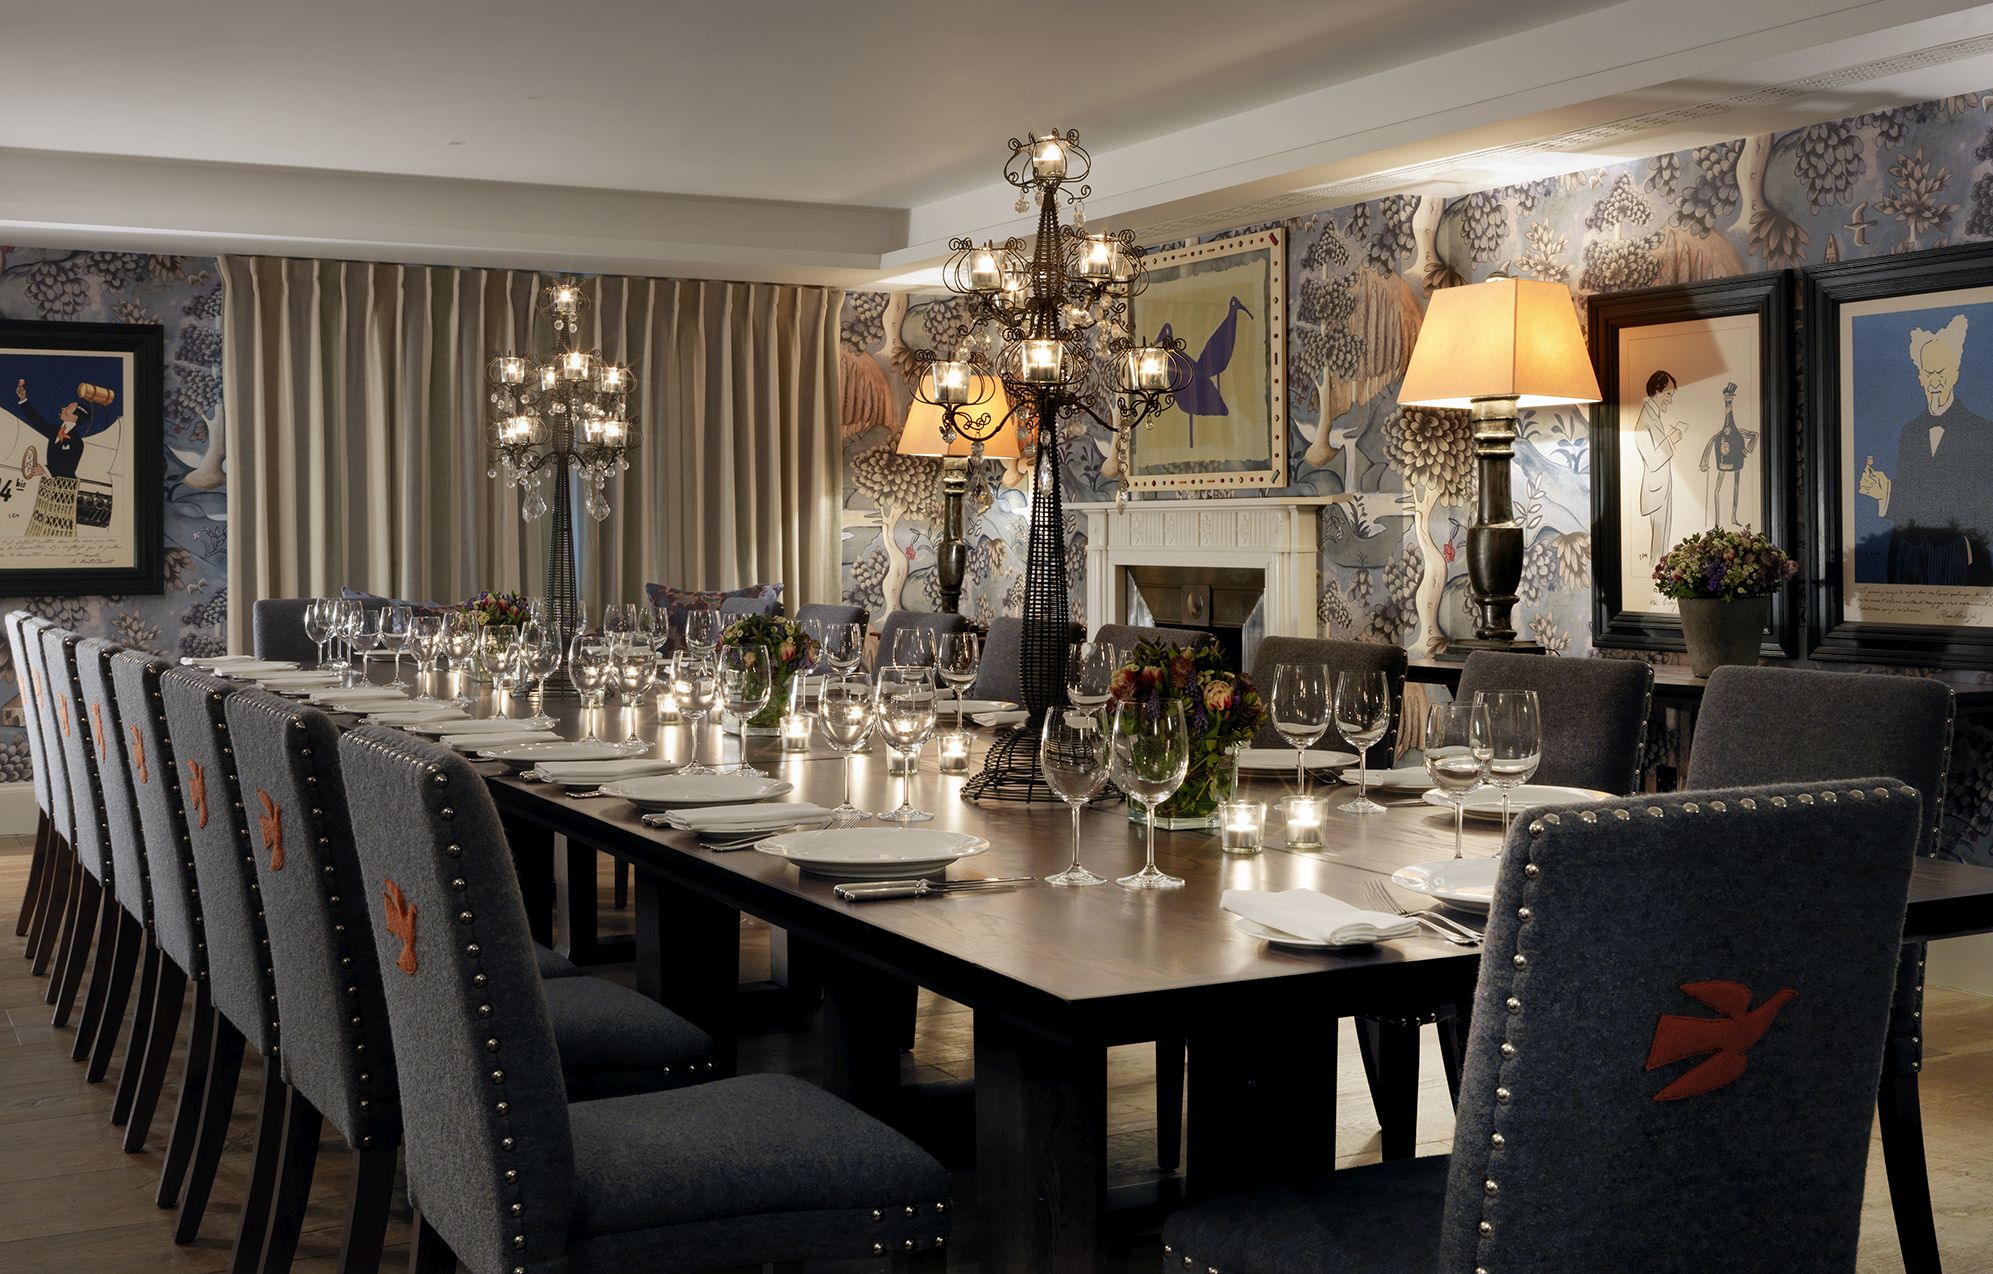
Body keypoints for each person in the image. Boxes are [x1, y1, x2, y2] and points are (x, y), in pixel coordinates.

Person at [1857, 315, 1993, 585]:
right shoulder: (1911, 431)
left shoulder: (1982, 431)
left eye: (1941, 372)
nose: (1934, 382)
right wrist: (1883, 490)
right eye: (1928, 373)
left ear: (1955, 373)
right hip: (1909, 555)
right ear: (1919, 376)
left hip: (1955, 557)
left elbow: (1977, 506)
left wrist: (1890, 493)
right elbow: (1914, 490)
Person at [12, 378, 117, 538]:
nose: (63, 408)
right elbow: (37, 421)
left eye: (68, 408)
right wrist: (23, 399)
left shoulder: (76, 442)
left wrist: (45, 469)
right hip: (50, 488)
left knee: (58, 529)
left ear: (75, 418)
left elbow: (67, 468)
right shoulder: (56, 431)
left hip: (64, 492)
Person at [1634, 370, 1685, 564]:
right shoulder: (1644, 420)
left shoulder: (1653, 417)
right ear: (1657, 391)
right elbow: (1653, 459)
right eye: (1668, 395)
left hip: (1662, 490)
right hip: (1656, 492)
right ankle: (1656, 581)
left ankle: (1658, 580)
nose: (1670, 400)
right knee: (1658, 549)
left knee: (1662, 545)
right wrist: (1671, 440)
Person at [1698, 380, 1759, 529]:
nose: (1728, 397)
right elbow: (1711, 441)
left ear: (1732, 397)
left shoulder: (1738, 430)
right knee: (1717, 490)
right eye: (1726, 395)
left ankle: (1733, 517)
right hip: (1724, 461)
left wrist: (1747, 450)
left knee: (1736, 486)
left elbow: (1755, 435)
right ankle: (1717, 523)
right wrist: (1704, 462)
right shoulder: (1720, 431)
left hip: (1736, 459)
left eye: (1730, 396)